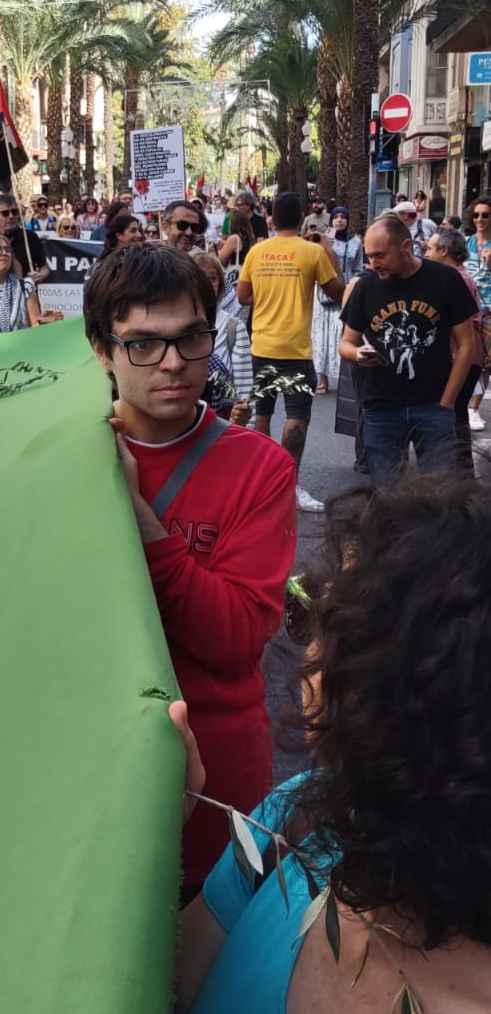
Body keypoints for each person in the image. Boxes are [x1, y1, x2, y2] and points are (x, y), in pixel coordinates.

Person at [165, 474, 491, 1014]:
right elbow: (159, 1007)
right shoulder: (303, 820)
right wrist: (157, 838)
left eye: (329, 623)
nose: (304, 641)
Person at [83, 243, 296, 894]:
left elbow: (234, 639)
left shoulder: (260, 467)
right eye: (143, 344)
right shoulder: (63, 459)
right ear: (102, 350)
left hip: (219, 791)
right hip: (94, 774)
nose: (174, 362)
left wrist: (140, 517)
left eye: (190, 338)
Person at [340, 214, 476, 487]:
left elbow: (466, 346)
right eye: (369, 255)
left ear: (405, 247)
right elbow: (345, 343)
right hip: (381, 408)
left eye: (380, 255)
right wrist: (358, 354)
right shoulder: (366, 286)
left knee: (439, 496)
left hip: (433, 406)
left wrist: (447, 404)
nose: (372, 263)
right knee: (387, 496)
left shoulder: (445, 279)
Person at [237, 190, 344, 513]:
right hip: (296, 349)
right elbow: (338, 291)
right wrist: (328, 250)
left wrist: (269, 299)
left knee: (264, 414)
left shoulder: (257, 251)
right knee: (297, 416)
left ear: (271, 218)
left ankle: (264, 482)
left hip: (263, 345)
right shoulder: (311, 252)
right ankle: (289, 485)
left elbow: (243, 296)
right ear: (301, 219)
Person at [424, 225, 484, 471]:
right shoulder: (458, 277)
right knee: (456, 415)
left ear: (444, 251)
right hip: (465, 355)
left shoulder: (455, 279)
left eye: (429, 248)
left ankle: (460, 476)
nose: (426, 253)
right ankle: (462, 474)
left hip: (461, 356)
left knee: (454, 415)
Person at [192, 252, 253, 424]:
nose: (207, 284)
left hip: (221, 425)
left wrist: (243, 427)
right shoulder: (175, 324)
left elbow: (244, 387)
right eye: (200, 277)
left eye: (212, 278)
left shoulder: (233, 327)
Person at [313, 206, 363, 394]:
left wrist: (355, 287)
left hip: (347, 294)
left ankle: (346, 380)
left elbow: (358, 267)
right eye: (336, 217)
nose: (339, 220)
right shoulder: (323, 240)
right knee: (322, 336)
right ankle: (323, 380)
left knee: (343, 335)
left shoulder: (356, 242)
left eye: (343, 217)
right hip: (325, 293)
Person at [464, 194, 491, 431]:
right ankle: (465, 405)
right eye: (476, 215)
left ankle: (473, 408)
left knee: (485, 362)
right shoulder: (466, 243)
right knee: (469, 358)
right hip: (468, 310)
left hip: (489, 311)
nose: (480, 219)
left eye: (485, 215)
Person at [0, 193, 50, 284]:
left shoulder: (30, 237)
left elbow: (45, 266)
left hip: (25, 294)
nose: (11, 216)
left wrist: (40, 275)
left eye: (14, 212)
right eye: (5, 213)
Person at [218, 203, 256, 306]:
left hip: (233, 283)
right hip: (245, 282)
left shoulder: (234, 238)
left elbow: (220, 261)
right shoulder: (249, 238)